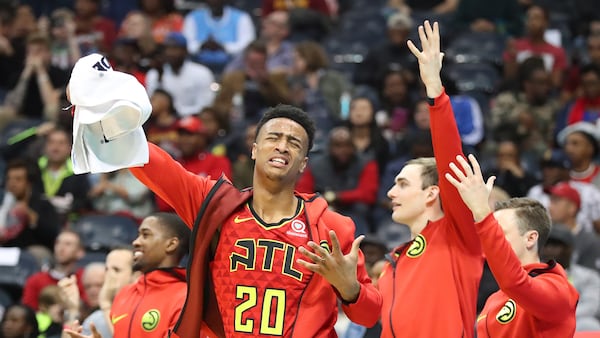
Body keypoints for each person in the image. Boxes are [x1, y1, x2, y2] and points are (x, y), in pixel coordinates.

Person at [66, 87, 382, 335]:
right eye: (273, 138)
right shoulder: (216, 206)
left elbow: (370, 315)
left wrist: (349, 287)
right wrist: (96, 110)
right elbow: (150, 162)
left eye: (294, 143)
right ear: (255, 150)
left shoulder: (332, 227)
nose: (283, 146)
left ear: (303, 163)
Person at [377, 21, 484, 337]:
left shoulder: (458, 233)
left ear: (432, 193)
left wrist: (434, 89)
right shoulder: (392, 263)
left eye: (403, 184)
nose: (391, 192)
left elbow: (450, 156)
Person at [445, 153, 579, 337]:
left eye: (499, 232)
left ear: (530, 238)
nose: (490, 241)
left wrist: (482, 212)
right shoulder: (494, 298)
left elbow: (515, 282)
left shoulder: (557, 289)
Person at [64, 213, 190, 338]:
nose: (135, 242)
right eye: (138, 235)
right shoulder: (125, 294)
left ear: (171, 244)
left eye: (145, 235)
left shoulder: (185, 298)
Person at [21, 230, 86, 311]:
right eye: (58, 243)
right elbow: (28, 312)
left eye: (68, 244)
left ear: (80, 252)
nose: (61, 248)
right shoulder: (36, 280)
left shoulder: (85, 278)